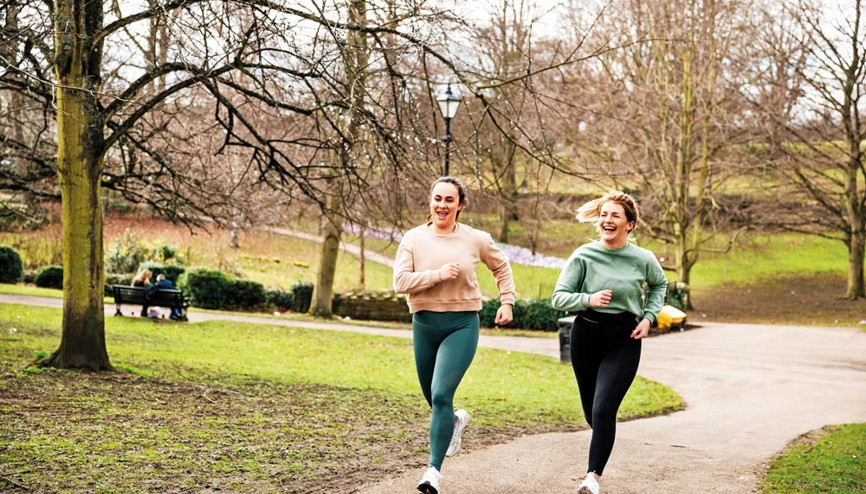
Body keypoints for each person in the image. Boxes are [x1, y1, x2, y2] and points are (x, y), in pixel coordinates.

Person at [393, 176, 516, 494]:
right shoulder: (414, 238)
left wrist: (507, 301)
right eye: (438, 198)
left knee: (440, 395)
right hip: (424, 324)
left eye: (449, 200)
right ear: (430, 201)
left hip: (461, 325)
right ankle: (455, 422)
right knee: (433, 399)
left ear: (460, 205)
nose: (442, 205)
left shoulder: (476, 239)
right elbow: (400, 282)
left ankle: (432, 472)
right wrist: (437, 275)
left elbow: (501, 266)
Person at [551, 191, 667, 494]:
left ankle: (592, 478)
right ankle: (604, 442)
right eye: (604, 215)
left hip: (624, 339)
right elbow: (558, 297)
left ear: (630, 224)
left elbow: (659, 284)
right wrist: (588, 299)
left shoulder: (643, 258)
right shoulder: (583, 255)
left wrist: (648, 317)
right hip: (586, 337)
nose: (607, 220)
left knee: (603, 410)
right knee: (592, 413)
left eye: (615, 215)